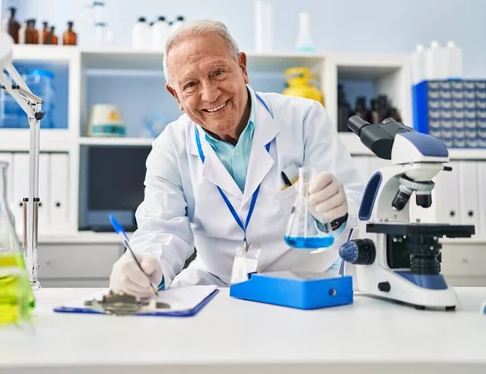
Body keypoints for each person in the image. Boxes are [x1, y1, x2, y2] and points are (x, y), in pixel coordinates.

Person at [109, 20, 364, 297]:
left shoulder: (304, 119)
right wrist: (145, 267)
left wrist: (338, 211)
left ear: (242, 68)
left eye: (218, 72)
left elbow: (354, 203)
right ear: (176, 95)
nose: (210, 94)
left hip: (302, 282)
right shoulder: (169, 146)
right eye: (191, 84)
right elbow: (160, 229)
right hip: (218, 281)